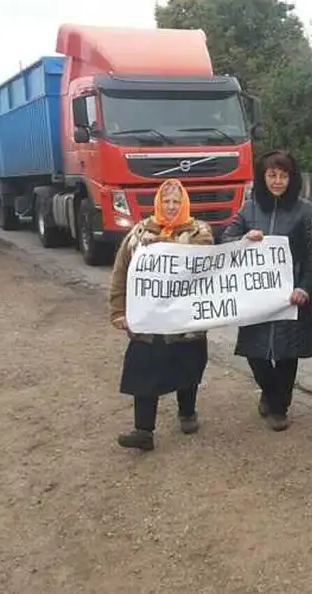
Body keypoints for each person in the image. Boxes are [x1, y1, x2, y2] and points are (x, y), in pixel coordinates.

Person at [108, 179, 216, 451]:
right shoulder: (139, 232)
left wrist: (162, 245)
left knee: (188, 365)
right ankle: (143, 430)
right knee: (143, 368)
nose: (170, 207)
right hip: (148, 322)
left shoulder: (199, 232)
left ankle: (187, 412)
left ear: (184, 204)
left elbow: (203, 262)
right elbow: (121, 272)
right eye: (165, 201)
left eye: (176, 202)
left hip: (185, 320)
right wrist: (118, 310)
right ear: (157, 203)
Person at [221, 150, 312, 430]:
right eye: (272, 175)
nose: (277, 181)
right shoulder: (250, 208)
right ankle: (269, 390)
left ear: (292, 178)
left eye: (283, 175)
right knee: (255, 351)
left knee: (287, 354)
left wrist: (304, 287)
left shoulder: (304, 210)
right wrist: (243, 238)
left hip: (292, 295)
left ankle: (279, 407)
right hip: (257, 296)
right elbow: (226, 237)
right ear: (263, 178)